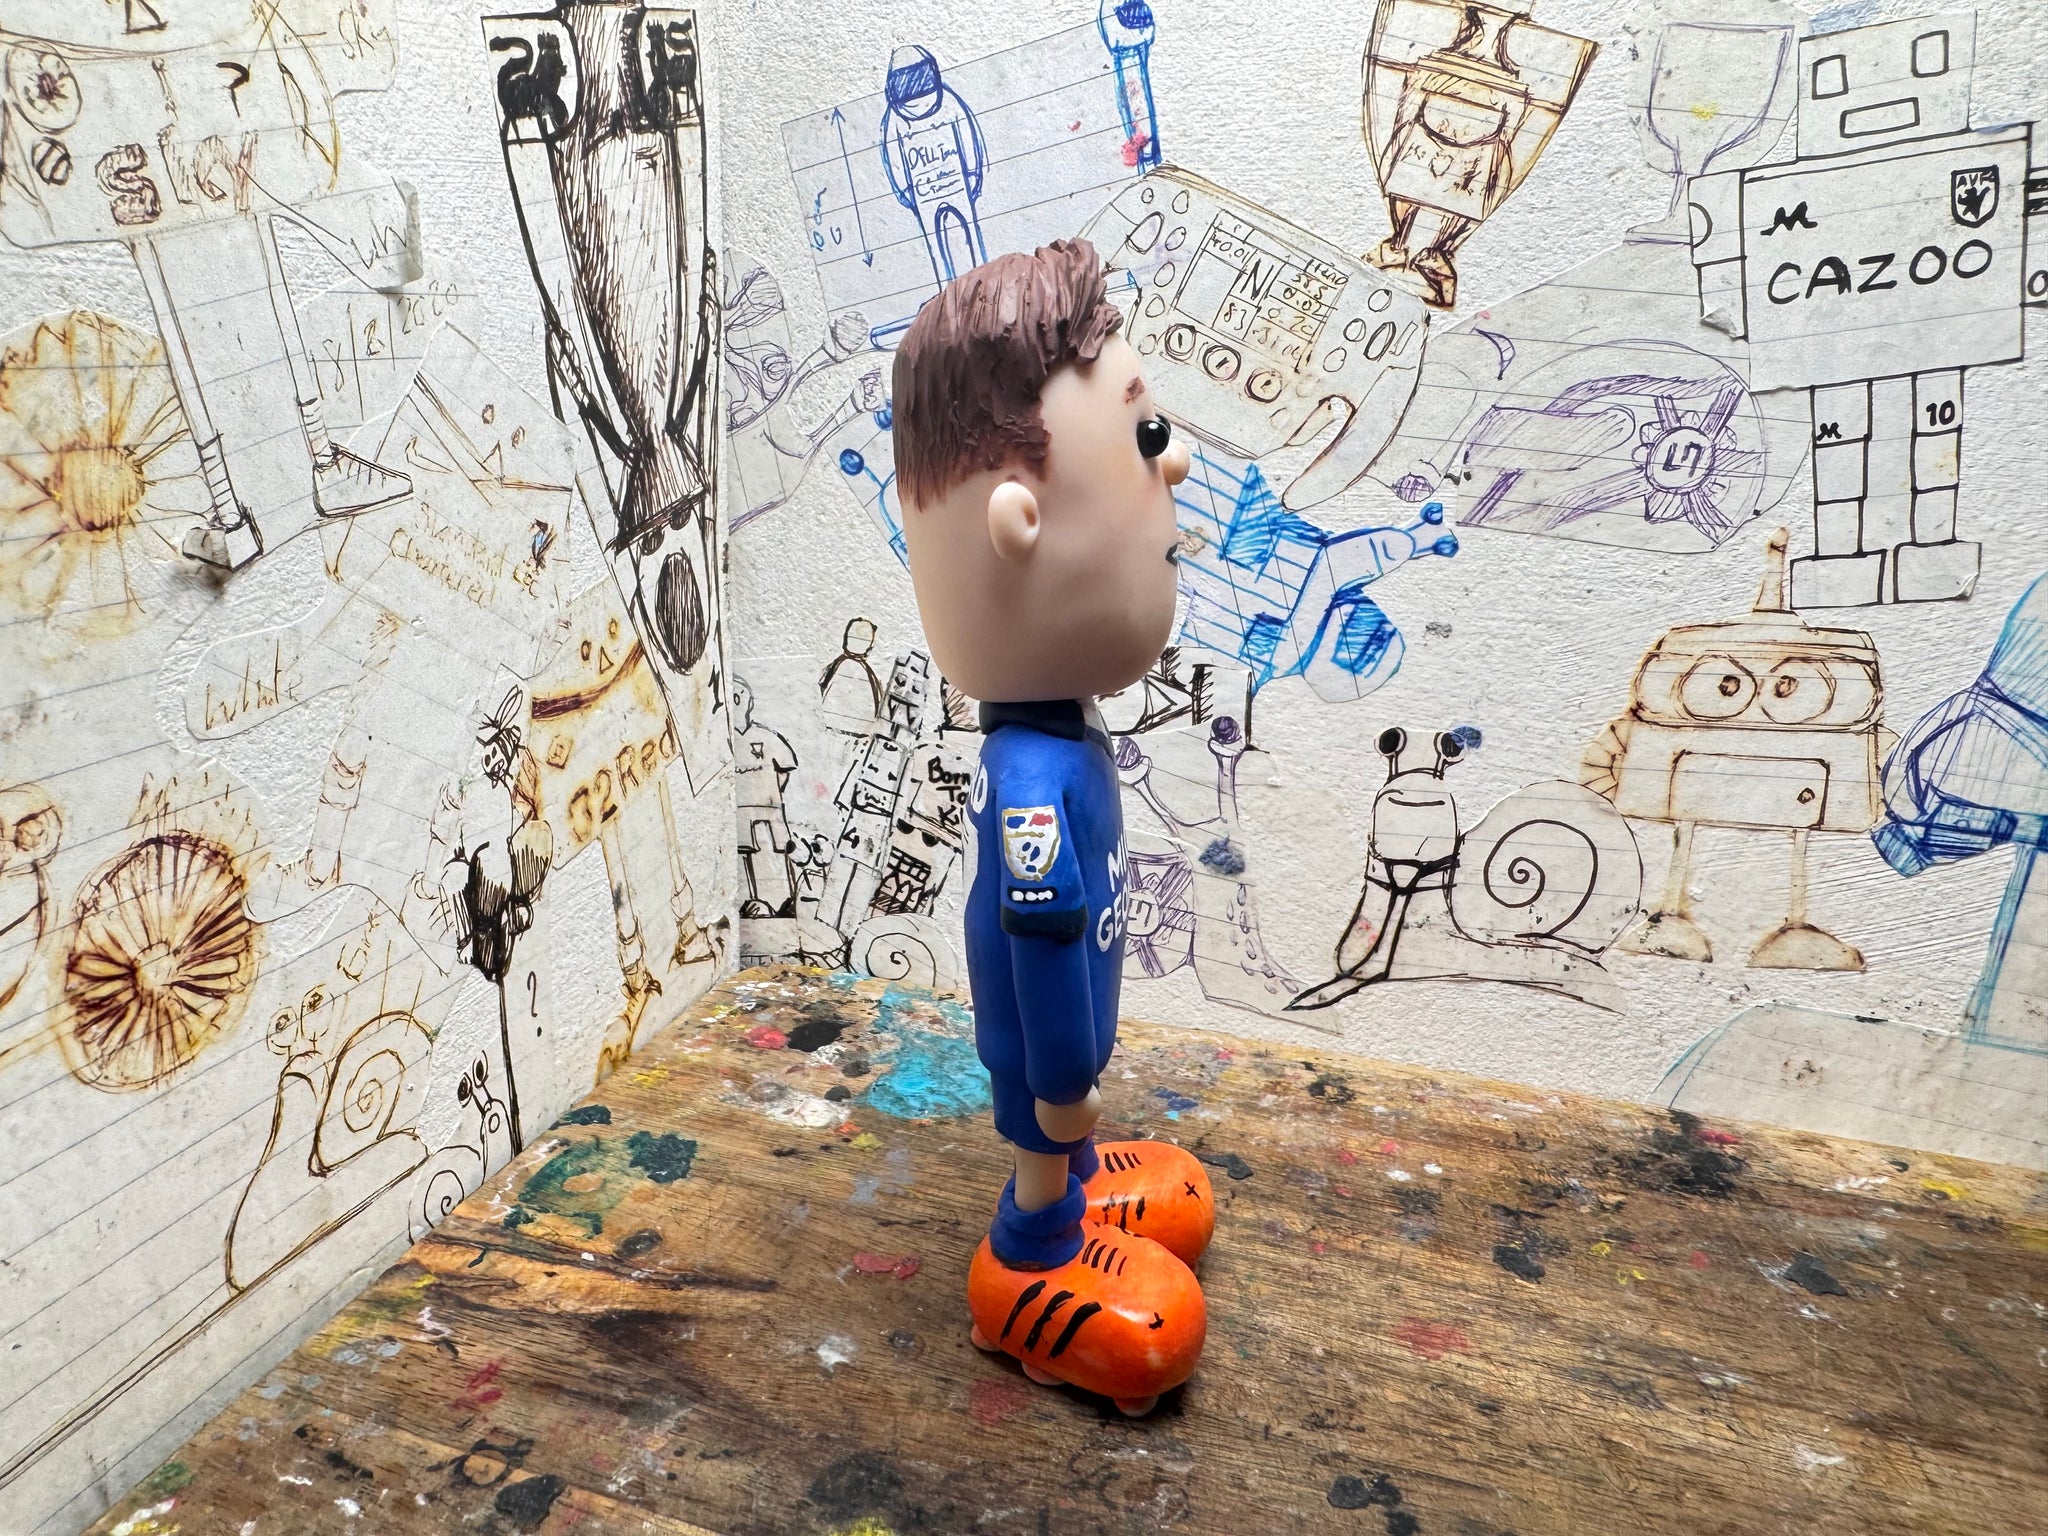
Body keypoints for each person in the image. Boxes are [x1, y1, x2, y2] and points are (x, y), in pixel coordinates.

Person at [892, 238, 1213, 1416]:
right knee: (1040, 1135)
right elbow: (1039, 941)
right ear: (1017, 523)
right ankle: (1030, 1248)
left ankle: (1071, 1173)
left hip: (1065, 1031)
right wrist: (1066, 1081)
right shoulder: (1029, 779)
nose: (1175, 461)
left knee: (1072, 1137)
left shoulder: (1059, 735)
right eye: (1144, 435)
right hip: (1046, 1044)